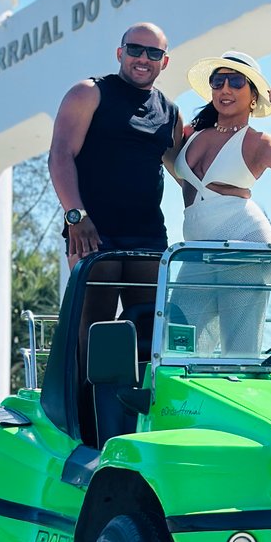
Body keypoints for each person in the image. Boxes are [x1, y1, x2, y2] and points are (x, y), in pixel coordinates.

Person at [48, 21, 184, 349]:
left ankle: (133, 401)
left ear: (164, 61)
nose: (143, 58)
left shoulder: (170, 112)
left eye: (154, 52)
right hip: (93, 230)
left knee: (149, 329)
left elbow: (188, 171)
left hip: (148, 235)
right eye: (135, 49)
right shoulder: (89, 93)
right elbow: (60, 156)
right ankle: (82, 401)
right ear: (120, 53)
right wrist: (76, 216)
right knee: (94, 325)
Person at [173, 51, 271, 355]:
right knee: (178, 337)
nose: (225, 89)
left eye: (236, 82)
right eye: (218, 81)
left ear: (253, 96)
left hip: (244, 242)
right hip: (197, 249)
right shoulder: (193, 133)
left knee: (239, 345)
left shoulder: (257, 141)